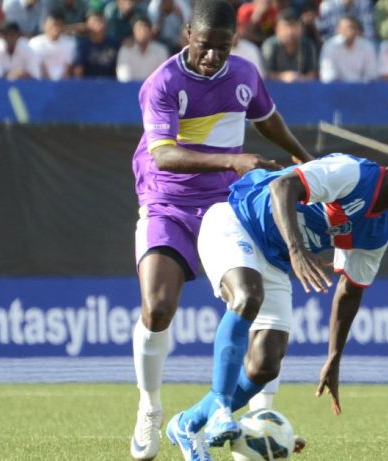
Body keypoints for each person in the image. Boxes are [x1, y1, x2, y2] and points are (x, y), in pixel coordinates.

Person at [166, 140, 388, 460]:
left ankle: (187, 424)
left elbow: (350, 291)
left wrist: (334, 358)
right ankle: (219, 408)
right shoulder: (353, 173)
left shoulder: (376, 232)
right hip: (238, 221)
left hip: (274, 260)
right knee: (246, 297)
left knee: (264, 366)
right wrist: (298, 251)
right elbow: (283, 186)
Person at [128, 1, 314, 460]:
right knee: (157, 308)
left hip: (224, 207)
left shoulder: (245, 74)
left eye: (223, 48)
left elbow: (266, 120)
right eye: (205, 46)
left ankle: (232, 414)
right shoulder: (164, 83)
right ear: (187, 33)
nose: (213, 56)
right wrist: (232, 159)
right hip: (166, 201)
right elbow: (165, 155)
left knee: (250, 300)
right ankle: (149, 406)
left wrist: (302, 157)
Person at [261, 8, 318, 82]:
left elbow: (313, 74)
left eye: (294, 26)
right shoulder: (270, 46)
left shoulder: (308, 45)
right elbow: (265, 74)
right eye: (286, 27)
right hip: (275, 89)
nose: (290, 32)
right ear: (277, 29)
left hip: (302, 87)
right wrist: (283, 77)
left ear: (301, 29)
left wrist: (298, 78)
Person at [319, 15, 376, 83]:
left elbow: (371, 74)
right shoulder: (330, 46)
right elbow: (327, 75)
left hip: (361, 89)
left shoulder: (367, 46)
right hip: (337, 89)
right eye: (342, 28)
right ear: (338, 30)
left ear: (357, 30)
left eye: (350, 28)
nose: (346, 31)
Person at [116, 16, 169, 82]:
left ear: (151, 32)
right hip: (129, 90)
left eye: (145, 29)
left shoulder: (161, 51)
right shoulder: (125, 50)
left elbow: (162, 76)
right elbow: (123, 77)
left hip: (153, 90)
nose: (142, 32)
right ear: (133, 31)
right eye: (139, 29)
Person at [28, 12, 76, 80]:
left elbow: (68, 67)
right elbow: (35, 66)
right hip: (40, 83)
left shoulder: (70, 43)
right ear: (44, 25)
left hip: (63, 84)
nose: (56, 28)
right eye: (54, 24)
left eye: (59, 25)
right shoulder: (34, 43)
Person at [72, 10, 118, 78]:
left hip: (110, 84)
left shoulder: (114, 44)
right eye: (95, 21)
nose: (98, 24)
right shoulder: (82, 46)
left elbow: (119, 70)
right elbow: (78, 73)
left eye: (101, 21)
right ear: (87, 24)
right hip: (88, 85)